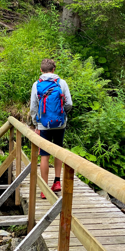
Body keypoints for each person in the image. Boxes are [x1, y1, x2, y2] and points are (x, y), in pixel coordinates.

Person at [29, 59, 72, 199]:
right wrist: (62, 115)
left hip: (43, 124)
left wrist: (36, 124)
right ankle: (57, 182)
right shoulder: (62, 83)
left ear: (41, 70)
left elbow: (33, 108)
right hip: (60, 124)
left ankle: (44, 189)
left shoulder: (37, 85)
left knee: (44, 155)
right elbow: (69, 104)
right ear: (54, 70)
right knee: (58, 151)